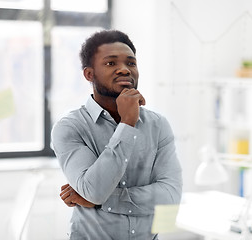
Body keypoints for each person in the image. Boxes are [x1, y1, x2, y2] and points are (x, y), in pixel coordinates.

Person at [51, 29, 183, 240]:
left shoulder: (158, 125)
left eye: (131, 63)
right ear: (89, 74)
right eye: (111, 63)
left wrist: (104, 201)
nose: (124, 70)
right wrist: (127, 123)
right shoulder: (70, 127)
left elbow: (170, 196)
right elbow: (94, 190)